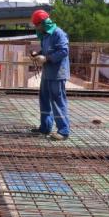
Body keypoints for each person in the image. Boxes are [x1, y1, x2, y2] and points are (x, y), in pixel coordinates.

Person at [30, 9, 71, 141]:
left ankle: (63, 131)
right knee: (44, 98)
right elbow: (47, 51)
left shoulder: (58, 33)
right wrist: (38, 54)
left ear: (43, 23)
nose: (36, 27)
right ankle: (45, 127)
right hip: (47, 73)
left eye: (37, 25)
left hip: (57, 74)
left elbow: (64, 51)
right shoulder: (45, 35)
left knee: (58, 100)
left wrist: (46, 58)